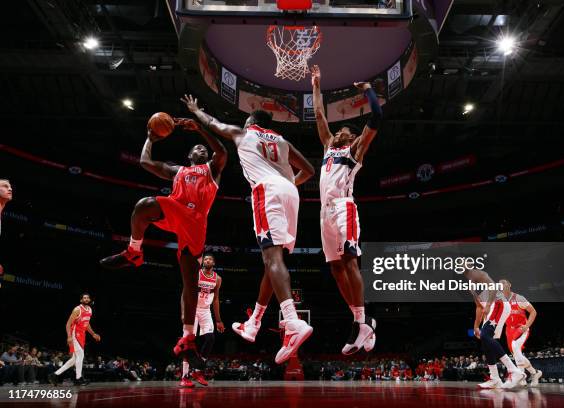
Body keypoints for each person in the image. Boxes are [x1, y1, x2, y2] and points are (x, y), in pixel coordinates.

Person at [180, 94, 315, 364]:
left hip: (267, 190)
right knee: (273, 263)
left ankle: (293, 321)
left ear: (251, 122)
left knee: (272, 259)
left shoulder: (244, 133)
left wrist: (196, 110)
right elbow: (310, 170)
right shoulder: (282, 141)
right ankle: (254, 322)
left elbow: (214, 124)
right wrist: (287, 185)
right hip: (291, 194)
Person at [100, 117, 227, 367]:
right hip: (175, 209)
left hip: (196, 223)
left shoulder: (212, 169)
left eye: (203, 148)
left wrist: (200, 128)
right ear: (189, 154)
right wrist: (150, 138)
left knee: (190, 284)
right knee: (144, 206)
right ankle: (133, 252)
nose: (201, 149)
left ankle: (189, 338)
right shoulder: (177, 170)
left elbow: (221, 150)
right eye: (197, 148)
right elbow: (146, 162)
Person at [310, 65, 381, 354]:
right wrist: (316, 85)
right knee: (335, 268)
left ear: (351, 139)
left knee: (350, 261)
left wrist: (367, 91)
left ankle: (361, 322)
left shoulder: (355, 150)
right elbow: (318, 114)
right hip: (324, 212)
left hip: (344, 207)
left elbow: (377, 118)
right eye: (340, 130)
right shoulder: (328, 146)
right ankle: (360, 321)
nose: (341, 131)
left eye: (347, 131)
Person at [180, 254, 225, 387]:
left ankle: (197, 371)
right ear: (202, 262)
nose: (207, 260)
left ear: (214, 263)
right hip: (192, 309)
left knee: (210, 338)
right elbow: (185, 292)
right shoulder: (196, 274)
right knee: (188, 342)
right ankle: (184, 376)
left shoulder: (218, 278)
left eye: (210, 259)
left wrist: (218, 320)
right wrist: (184, 312)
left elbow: (216, 299)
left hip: (205, 310)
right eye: (205, 259)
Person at [472, 285, 525, 389]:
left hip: (498, 304)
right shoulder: (468, 285)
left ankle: (514, 370)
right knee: (486, 341)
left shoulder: (476, 275)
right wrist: (476, 326)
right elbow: (479, 306)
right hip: (491, 309)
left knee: (485, 335)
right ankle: (495, 378)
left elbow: (492, 286)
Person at [49, 293, 101, 385]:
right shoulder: (77, 309)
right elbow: (68, 324)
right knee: (80, 355)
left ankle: (54, 375)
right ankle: (78, 378)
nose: (86, 299)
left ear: (89, 300)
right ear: (81, 300)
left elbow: (87, 323)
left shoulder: (90, 310)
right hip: (74, 333)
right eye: (84, 298)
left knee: (74, 359)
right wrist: (69, 336)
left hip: (82, 334)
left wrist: (93, 334)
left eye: (87, 298)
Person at [500, 279, 542, 387]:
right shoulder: (500, 301)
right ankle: (534, 373)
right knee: (516, 354)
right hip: (509, 329)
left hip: (521, 328)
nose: (502, 286)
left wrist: (527, 326)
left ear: (509, 285)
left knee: (515, 346)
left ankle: (521, 374)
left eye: (504, 284)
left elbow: (533, 312)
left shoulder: (518, 298)